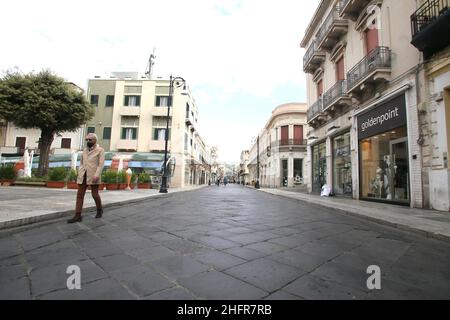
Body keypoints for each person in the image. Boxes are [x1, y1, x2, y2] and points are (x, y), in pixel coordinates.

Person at [67, 133, 105, 223]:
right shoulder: (84, 150)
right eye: (87, 140)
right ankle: (77, 215)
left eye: (90, 140)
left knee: (94, 194)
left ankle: (99, 209)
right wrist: (79, 171)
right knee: (80, 195)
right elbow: (81, 162)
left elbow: (101, 164)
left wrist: (97, 175)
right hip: (83, 175)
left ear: (95, 140)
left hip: (93, 175)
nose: (88, 141)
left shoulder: (100, 150)